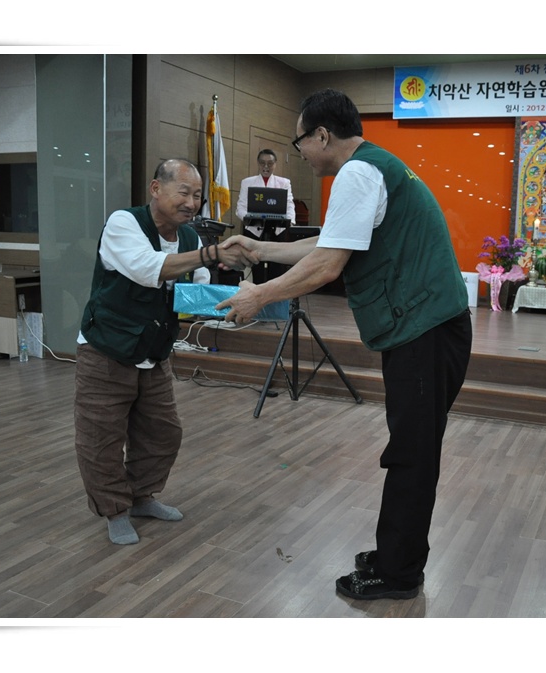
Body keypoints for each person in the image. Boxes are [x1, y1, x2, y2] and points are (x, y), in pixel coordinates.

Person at [217, 89, 473, 600]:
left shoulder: (357, 172)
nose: (301, 155)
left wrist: (258, 295)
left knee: (412, 454)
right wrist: (260, 248)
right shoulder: (374, 167)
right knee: (412, 449)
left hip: (425, 331)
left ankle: (398, 574)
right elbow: (332, 241)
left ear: (322, 135)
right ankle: (396, 553)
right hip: (429, 328)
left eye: (300, 143)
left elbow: (328, 265)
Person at [74, 158, 253, 545]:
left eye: (198, 195)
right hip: (106, 351)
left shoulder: (189, 238)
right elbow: (147, 268)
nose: (192, 203)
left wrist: (240, 299)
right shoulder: (124, 223)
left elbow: (196, 291)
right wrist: (212, 254)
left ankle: (141, 497)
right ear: (156, 189)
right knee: (101, 439)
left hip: (154, 354)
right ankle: (115, 510)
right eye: (183, 192)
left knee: (162, 433)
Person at [236, 149, 296, 283]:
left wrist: (290, 222)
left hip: (278, 230)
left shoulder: (284, 183)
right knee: (257, 269)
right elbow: (240, 208)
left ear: (275, 164)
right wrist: (250, 218)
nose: (266, 167)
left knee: (277, 269)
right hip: (254, 230)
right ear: (258, 163)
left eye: (270, 163)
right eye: (262, 163)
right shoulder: (247, 182)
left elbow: (289, 205)